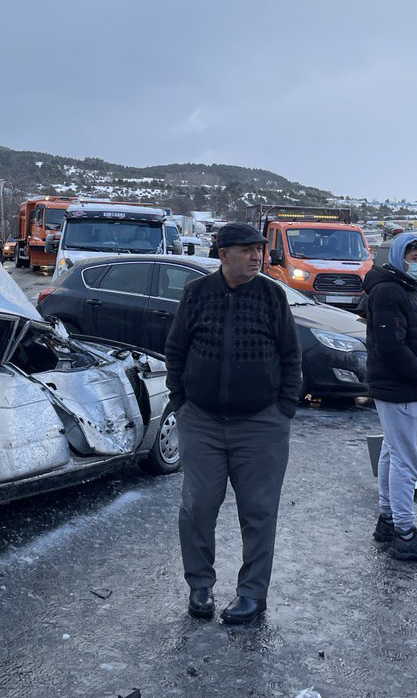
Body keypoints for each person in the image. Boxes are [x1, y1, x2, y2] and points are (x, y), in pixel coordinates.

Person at [165, 222, 301, 625]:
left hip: (261, 426)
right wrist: (181, 402)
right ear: (223, 255)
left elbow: (291, 356)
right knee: (198, 508)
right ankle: (200, 586)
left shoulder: (272, 295)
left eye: (259, 249)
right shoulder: (197, 294)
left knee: (259, 512)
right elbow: (176, 349)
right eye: (246, 250)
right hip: (202, 423)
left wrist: (283, 409)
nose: (257, 256)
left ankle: (251, 595)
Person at [362, 232, 417, 563]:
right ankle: (404, 534)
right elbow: (391, 346)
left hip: (399, 386)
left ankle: (388, 520)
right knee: (406, 461)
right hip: (400, 387)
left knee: (391, 452)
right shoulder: (390, 292)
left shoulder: (400, 289)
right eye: (414, 257)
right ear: (399, 258)